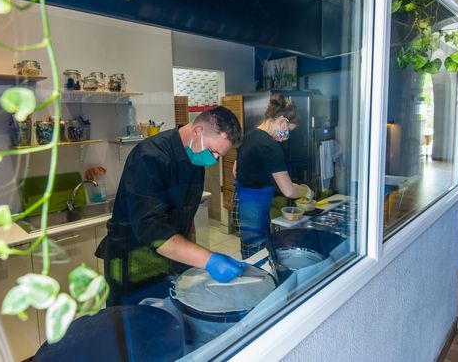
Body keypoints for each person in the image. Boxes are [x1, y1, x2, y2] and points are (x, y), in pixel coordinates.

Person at [95, 106, 244, 306]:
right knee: (135, 321)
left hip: (166, 260)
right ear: (198, 131)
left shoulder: (195, 159)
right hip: (132, 265)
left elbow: (185, 213)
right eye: (213, 151)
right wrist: (207, 259)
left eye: (219, 155)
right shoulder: (149, 156)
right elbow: (151, 229)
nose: (215, 159)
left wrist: (192, 257)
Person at [234, 94, 314, 259]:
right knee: (257, 253)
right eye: (288, 130)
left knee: (249, 252)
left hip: (241, 203)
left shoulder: (248, 136)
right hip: (255, 208)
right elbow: (289, 191)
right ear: (282, 121)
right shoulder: (270, 146)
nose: (286, 135)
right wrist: (305, 191)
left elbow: (236, 170)